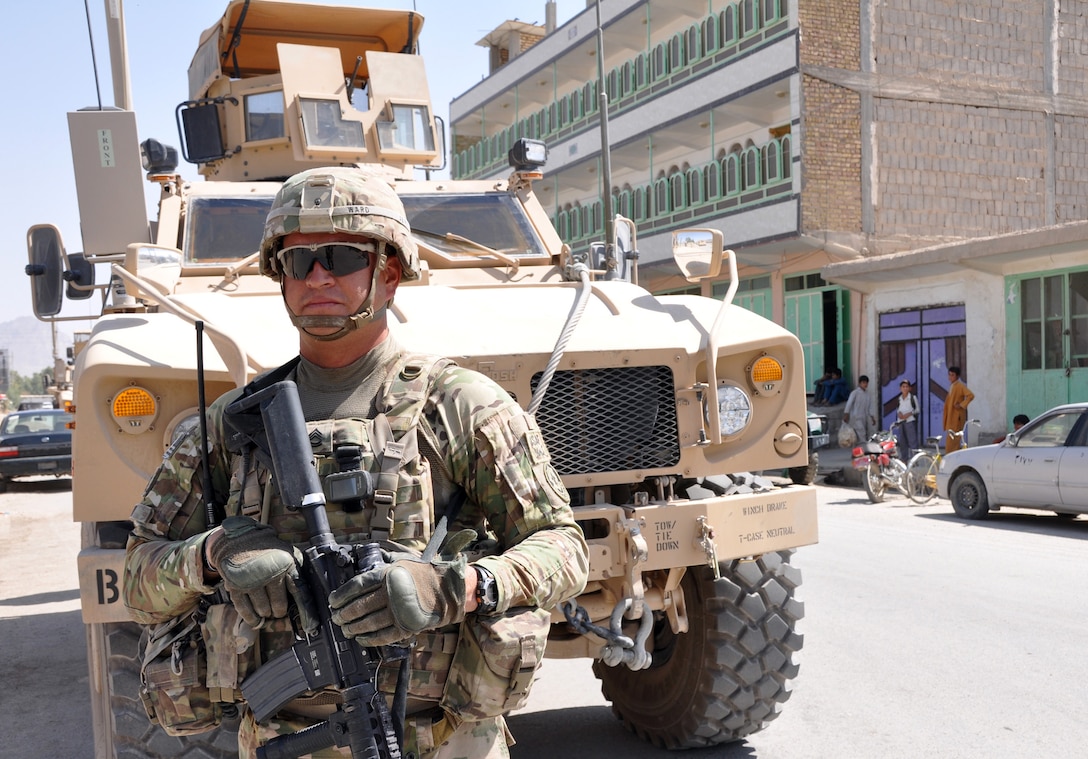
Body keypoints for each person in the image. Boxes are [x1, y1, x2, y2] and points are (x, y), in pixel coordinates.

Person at [122, 167, 590, 759]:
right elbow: (138, 580)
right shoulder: (229, 425)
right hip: (280, 733)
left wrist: (459, 586)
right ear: (281, 278)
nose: (318, 276)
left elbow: (564, 547)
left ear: (389, 274)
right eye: (299, 262)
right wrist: (213, 555)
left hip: (444, 736)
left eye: (342, 258)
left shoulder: (462, 405)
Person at [941, 365, 975, 453]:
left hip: (957, 417)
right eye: (949, 375)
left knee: (954, 439)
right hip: (951, 417)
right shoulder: (953, 386)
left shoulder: (960, 386)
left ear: (957, 376)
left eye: (952, 375)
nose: (950, 377)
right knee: (951, 439)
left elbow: (970, 395)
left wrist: (961, 405)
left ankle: (951, 458)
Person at [842, 374, 877, 446]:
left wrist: (872, 417)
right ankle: (863, 447)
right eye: (863, 382)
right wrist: (846, 414)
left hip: (864, 417)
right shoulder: (855, 393)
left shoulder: (867, 394)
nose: (865, 384)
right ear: (860, 383)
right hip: (856, 417)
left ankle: (858, 448)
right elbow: (849, 403)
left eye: (866, 382)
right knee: (861, 432)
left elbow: (870, 406)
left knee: (861, 433)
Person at [894, 380, 920, 460]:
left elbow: (917, 410)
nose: (905, 388)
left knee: (912, 441)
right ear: (900, 388)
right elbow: (897, 409)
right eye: (903, 387)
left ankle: (914, 460)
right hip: (901, 422)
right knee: (903, 442)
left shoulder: (912, 398)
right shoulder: (899, 399)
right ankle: (904, 458)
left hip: (910, 422)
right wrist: (899, 414)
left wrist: (909, 414)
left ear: (909, 388)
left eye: (906, 387)